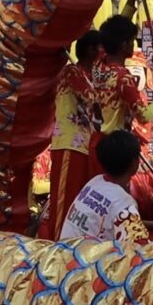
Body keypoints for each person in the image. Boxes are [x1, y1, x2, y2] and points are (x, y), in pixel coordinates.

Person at [41, 31, 101, 240]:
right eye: (101, 48)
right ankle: (58, 243)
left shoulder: (90, 77)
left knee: (80, 203)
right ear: (91, 50)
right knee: (65, 201)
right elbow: (92, 99)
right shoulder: (71, 72)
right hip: (69, 145)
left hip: (85, 146)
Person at [60, 130, 153, 242]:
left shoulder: (95, 182)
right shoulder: (124, 203)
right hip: (84, 253)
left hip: (65, 249)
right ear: (135, 164)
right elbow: (139, 247)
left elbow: (116, 220)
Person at [90, 15, 153, 174]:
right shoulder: (124, 78)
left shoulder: (98, 67)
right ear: (124, 45)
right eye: (132, 40)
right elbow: (143, 116)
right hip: (117, 148)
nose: (133, 45)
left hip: (98, 143)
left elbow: (111, 33)